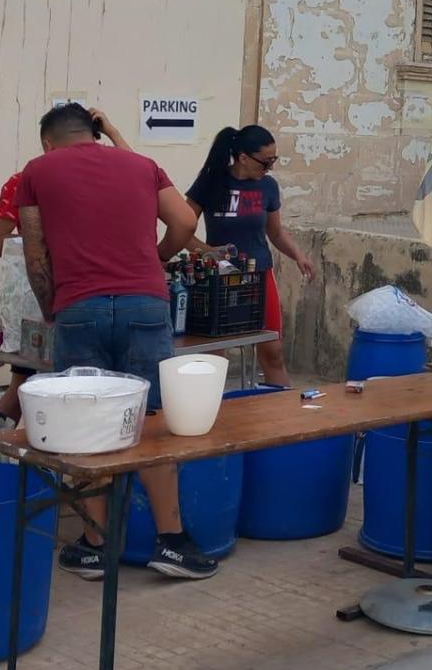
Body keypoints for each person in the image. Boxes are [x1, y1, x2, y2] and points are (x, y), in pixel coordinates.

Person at [18, 103, 208, 581]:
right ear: (95, 132)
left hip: (78, 308)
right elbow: (185, 224)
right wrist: (154, 260)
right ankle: (172, 544)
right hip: (145, 304)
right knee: (152, 422)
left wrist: (51, 308)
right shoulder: (142, 165)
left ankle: (95, 547)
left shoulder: (37, 171)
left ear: (48, 140)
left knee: (87, 427)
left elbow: (35, 252)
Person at [0, 109, 131, 419]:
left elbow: (139, 171)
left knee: (57, 390)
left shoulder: (106, 177)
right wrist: (40, 244)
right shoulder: (27, 180)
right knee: (30, 386)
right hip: (43, 301)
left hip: (84, 298)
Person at [183, 125, 316, 388]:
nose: (269, 168)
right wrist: (208, 251)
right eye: (266, 162)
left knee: (273, 351)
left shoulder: (268, 187)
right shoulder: (211, 181)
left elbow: (276, 233)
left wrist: (298, 255)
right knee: (213, 355)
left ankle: (281, 411)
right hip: (219, 279)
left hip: (258, 276)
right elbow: (181, 228)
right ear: (243, 157)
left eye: (273, 161)